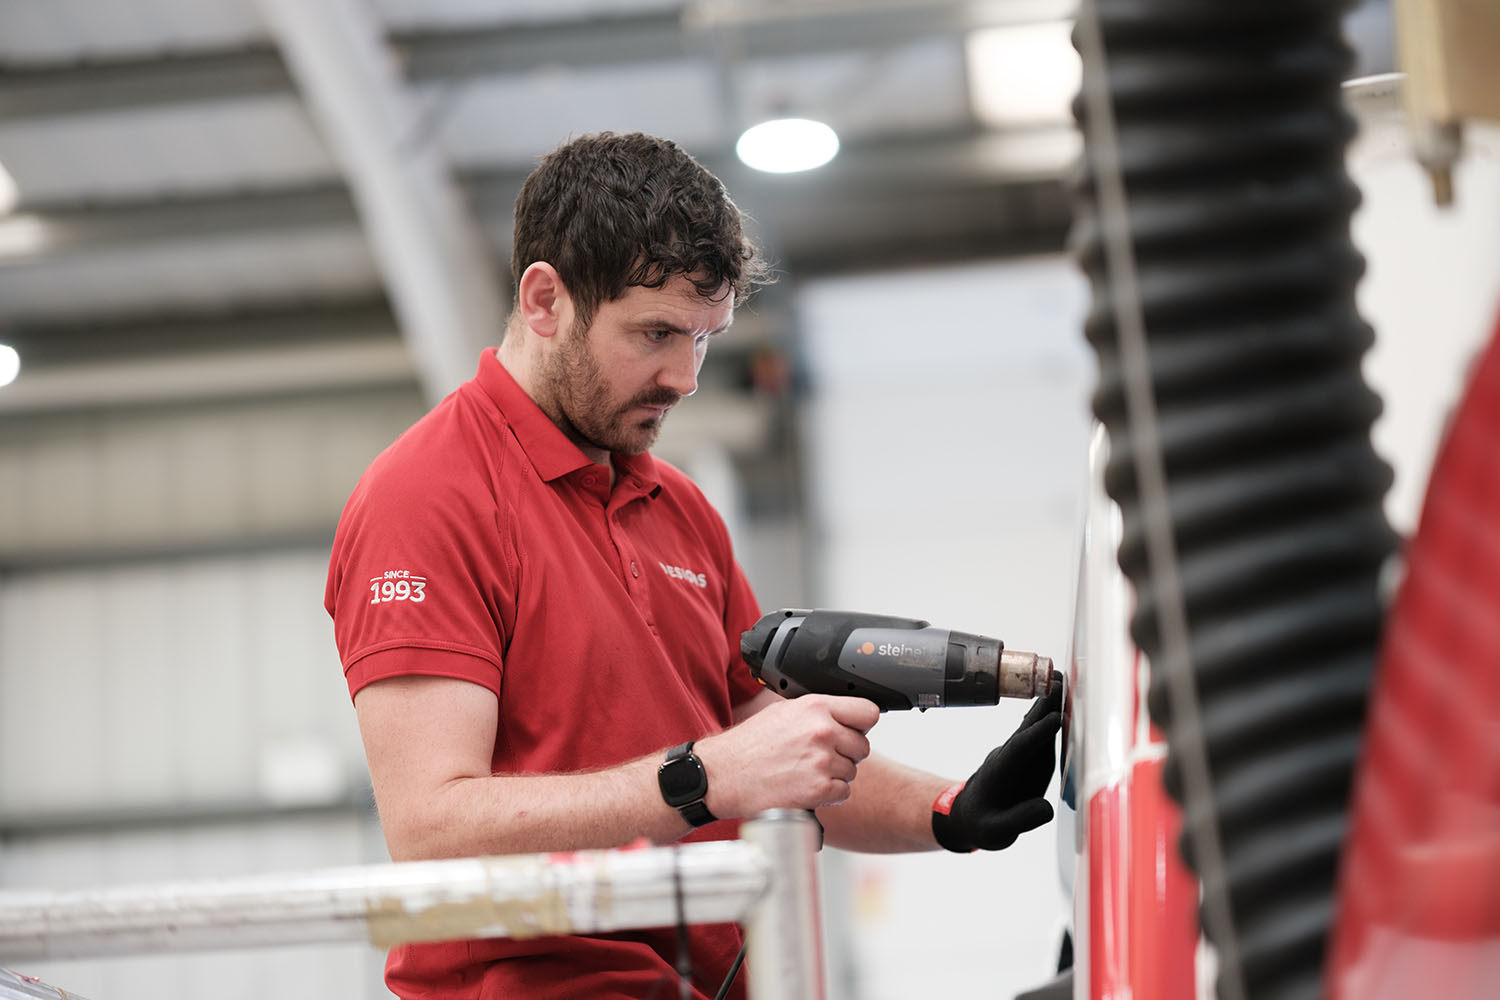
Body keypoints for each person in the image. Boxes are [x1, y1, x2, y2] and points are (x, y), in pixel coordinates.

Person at [325, 131, 1063, 1000]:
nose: (685, 376)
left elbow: (773, 755)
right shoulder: (428, 497)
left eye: (705, 338)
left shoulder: (676, 509)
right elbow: (432, 828)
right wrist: (701, 780)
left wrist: (950, 811)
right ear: (544, 300)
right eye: (656, 333)